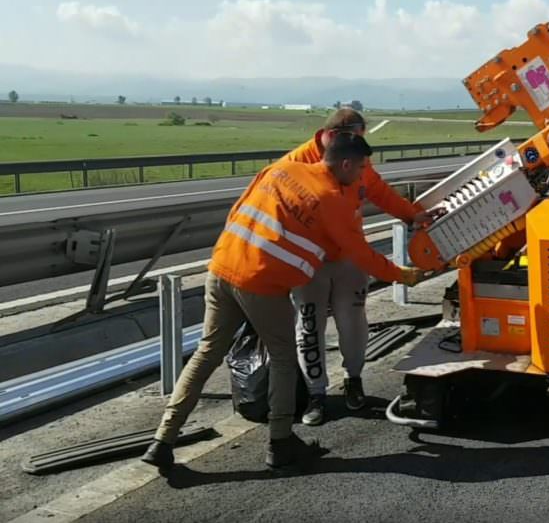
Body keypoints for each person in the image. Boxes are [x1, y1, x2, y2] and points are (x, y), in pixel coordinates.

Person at [141, 133, 423, 470]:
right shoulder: (331, 197)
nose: (364, 176)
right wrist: (402, 275)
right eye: (362, 168)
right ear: (346, 164)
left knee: (205, 354)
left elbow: (237, 210)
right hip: (261, 284)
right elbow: (359, 252)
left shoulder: (279, 170)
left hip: (221, 270)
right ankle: (280, 442)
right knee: (283, 359)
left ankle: (163, 439)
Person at [284, 108, 438, 425]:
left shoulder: (357, 158)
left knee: (352, 320)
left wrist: (412, 215)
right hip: (309, 261)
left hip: (348, 258)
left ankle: (353, 380)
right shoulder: (294, 165)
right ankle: (317, 395)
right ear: (343, 136)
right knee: (309, 326)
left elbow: (379, 191)